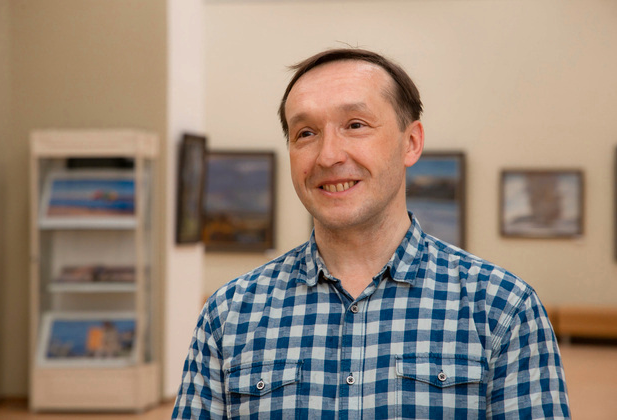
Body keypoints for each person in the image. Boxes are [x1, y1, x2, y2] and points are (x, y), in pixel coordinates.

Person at [172, 48, 570, 419]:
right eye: (306, 133)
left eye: (355, 125)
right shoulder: (229, 314)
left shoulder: (502, 309)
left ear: (411, 143)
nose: (328, 155)